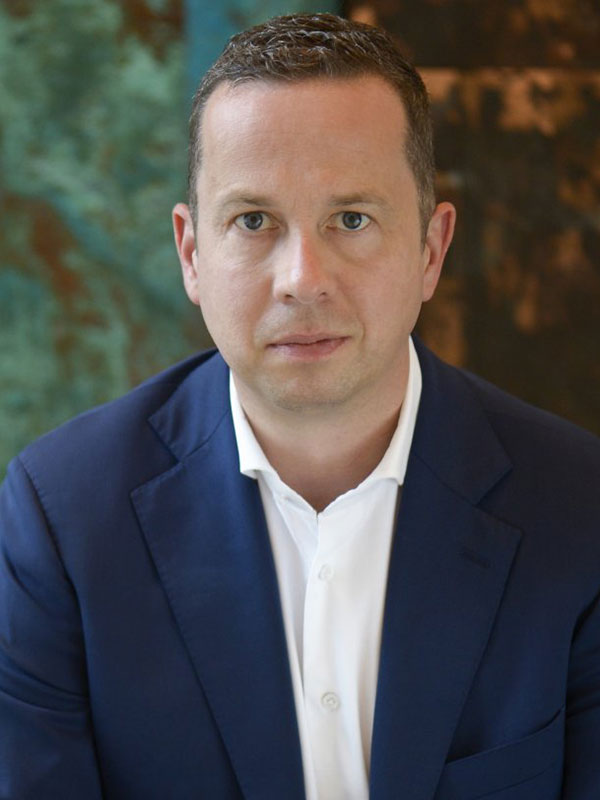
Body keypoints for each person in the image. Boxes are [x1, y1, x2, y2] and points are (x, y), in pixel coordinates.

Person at [1, 12, 599, 800]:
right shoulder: (61, 519)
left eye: (352, 219)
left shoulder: (582, 510)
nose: (302, 279)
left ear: (430, 250)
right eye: (253, 221)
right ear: (191, 253)